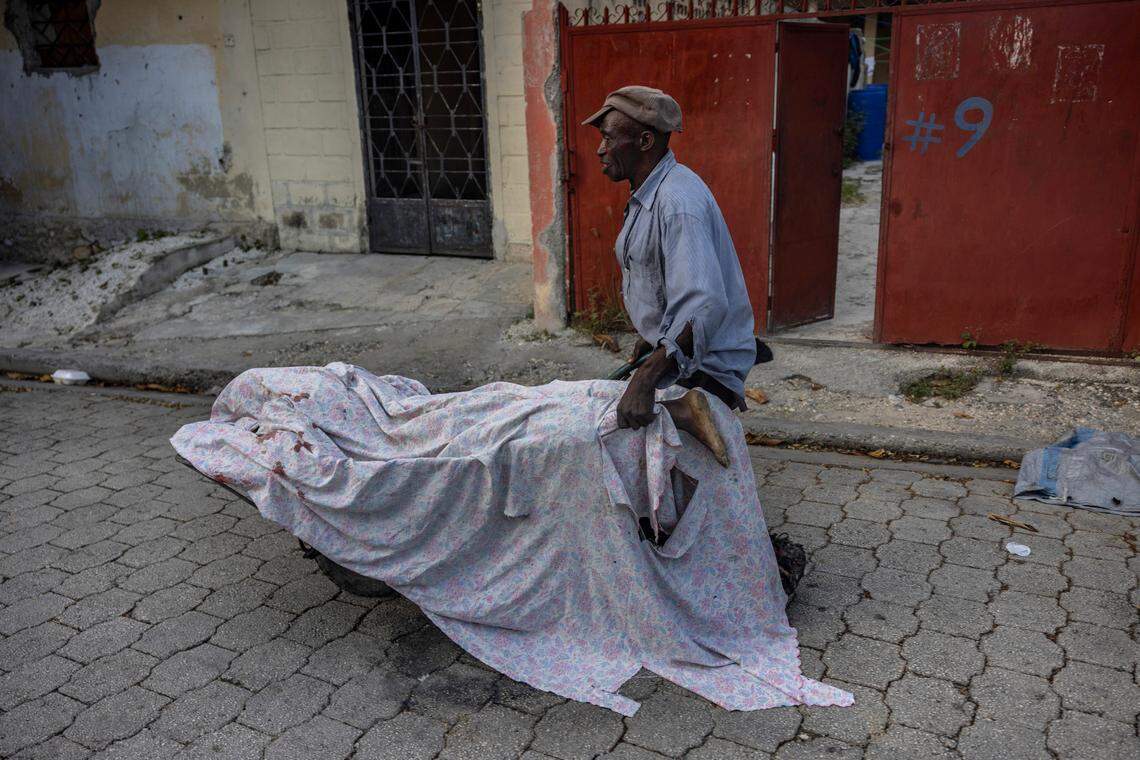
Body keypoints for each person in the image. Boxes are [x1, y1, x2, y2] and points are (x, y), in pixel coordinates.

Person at [583, 85, 757, 433]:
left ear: (646, 142)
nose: (600, 150)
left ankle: (694, 410)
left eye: (608, 138)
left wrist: (647, 377)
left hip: (704, 369)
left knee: (604, 427)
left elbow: (702, 305)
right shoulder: (650, 192)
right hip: (680, 356)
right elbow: (665, 281)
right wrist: (652, 338)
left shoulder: (677, 203)